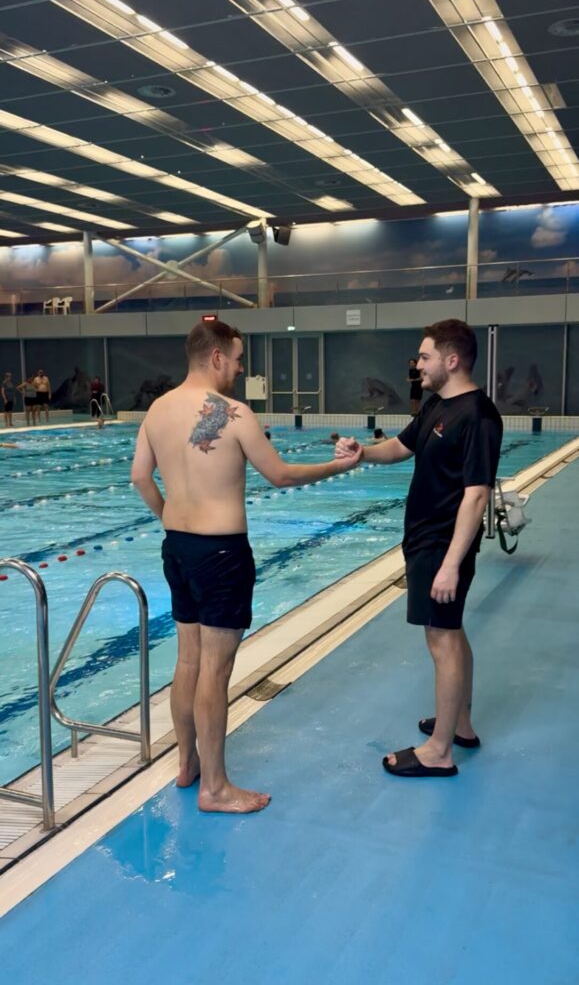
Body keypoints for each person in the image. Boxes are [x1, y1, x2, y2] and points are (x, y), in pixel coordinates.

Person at [131, 320, 362, 814]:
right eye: (237, 360)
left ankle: (188, 764)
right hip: (221, 554)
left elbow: (140, 478)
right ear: (216, 357)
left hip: (178, 548)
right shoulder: (232, 413)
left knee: (188, 661)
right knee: (215, 669)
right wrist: (338, 467)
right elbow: (279, 474)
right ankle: (215, 788)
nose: (240, 369)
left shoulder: (157, 409)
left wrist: (171, 517)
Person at [336, 319, 503, 779]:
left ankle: (439, 750)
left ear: (452, 360)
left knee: (441, 639)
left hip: (442, 547)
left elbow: (476, 494)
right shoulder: (437, 405)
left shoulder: (479, 416)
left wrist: (450, 565)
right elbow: (401, 446)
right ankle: (460, 725)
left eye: (425, 356)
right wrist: (362, 454)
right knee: (451, 632)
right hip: (425, 541)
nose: (418, 365)